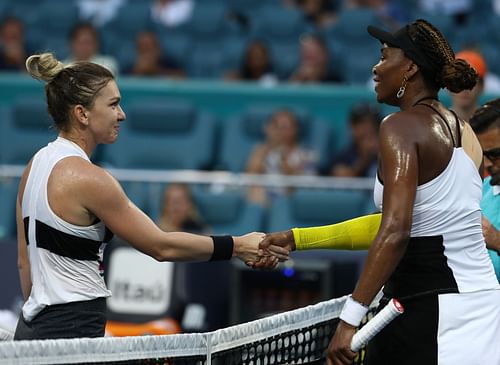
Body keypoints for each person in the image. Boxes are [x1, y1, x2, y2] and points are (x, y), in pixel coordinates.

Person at [255, 19, 500, 365]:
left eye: (385, 57)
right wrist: (298, 238)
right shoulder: (465, 132)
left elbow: (396, 228)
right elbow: (402, 225)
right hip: (476, 305)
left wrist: (349, 317)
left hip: (436, 311)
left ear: (411, 67)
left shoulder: (399, 127)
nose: (376, 67)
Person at [14, 52, 287, 341]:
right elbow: (161, 246)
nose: (122, 114)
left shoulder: (34, 166)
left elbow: (24, 262)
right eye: (114, 104)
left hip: (32, 325)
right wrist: (239, 245)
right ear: (82, 113)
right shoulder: (90, 178)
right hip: (73, 326)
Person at [245, 109, 316, 205]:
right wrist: (266, 148)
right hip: (265, 199)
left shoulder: (306, 154)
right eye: (276, 126)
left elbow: (307, 187)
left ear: (295, 129)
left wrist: (285, 165)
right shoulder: (261, 150)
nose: (281, 131)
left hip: (293, 200)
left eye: (286, 127)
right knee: (256, 190)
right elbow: (250, 177)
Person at [470, 98, 500, 282]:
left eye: (495, 154)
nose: (487, 164)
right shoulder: (478, 191)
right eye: (483, 154)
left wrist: (497, 241)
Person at [330, 102, 381, 178]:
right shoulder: (346, 155)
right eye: (362, 123)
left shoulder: (386, 152)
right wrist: (364, 159)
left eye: (373, 123)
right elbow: (340, 177)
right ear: (352, 127)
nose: (368, 128)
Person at [449, 49, 486, 121]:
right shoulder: (437, 125)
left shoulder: (492, 126)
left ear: (482, 86)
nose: (464, 89)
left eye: (471, 81)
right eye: (458, 81)